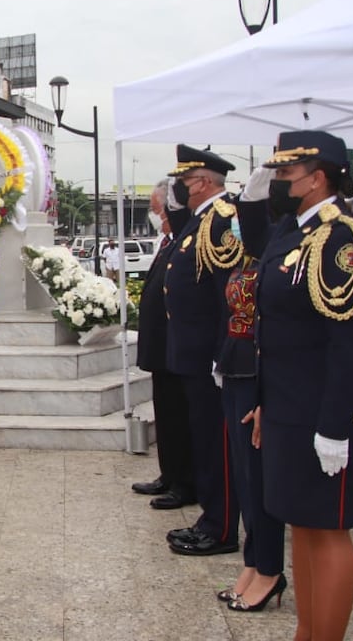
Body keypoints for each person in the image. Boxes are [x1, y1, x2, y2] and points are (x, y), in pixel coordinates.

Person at [251, 131, 353, 640]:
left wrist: (335, 426)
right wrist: (266, 404)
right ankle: (309, 630)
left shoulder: (341, 238)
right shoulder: (292, 232)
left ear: (317, 178)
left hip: (328, 406)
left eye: (285, 174)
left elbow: (349, 343)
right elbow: (275, 330)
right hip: (288, 403)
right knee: (302, 523)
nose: (277, 182)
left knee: (328, 529)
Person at [213, 166, 287, 612]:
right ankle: (254, 560)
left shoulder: (281, 246)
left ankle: (271, 568)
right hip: (237, 367)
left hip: (261, 373)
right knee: (244, 475)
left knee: (260, 479)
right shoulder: (250, 256)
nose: (241, 220)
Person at [162, 145, 242, 557]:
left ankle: (222, 527)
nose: (181, 186)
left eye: (185, 180)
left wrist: (222, 351)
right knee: (205, 440)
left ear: (203, 182)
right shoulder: (201, 220)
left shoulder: (222, 220)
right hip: (192, 354)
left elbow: (228, 291)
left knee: (217, 444)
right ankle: (212, 517)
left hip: (210, 356)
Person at [131, 179, 197, 510]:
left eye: (158, 208)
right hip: (161, 350)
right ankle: (168, 474)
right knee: (166, 414)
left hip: (176, 349)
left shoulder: (186, 240)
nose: (156, 214)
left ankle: (185, 482)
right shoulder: (169, 241)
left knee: (179, 418)